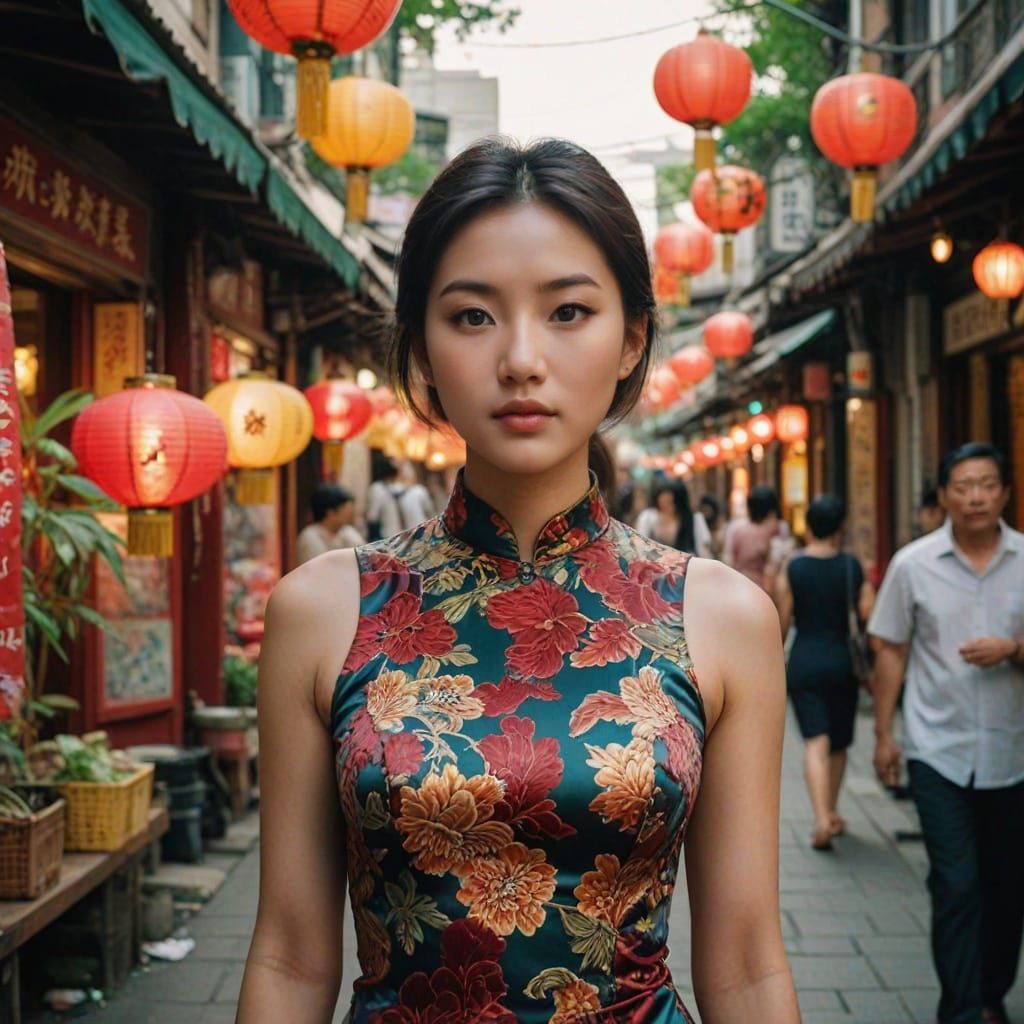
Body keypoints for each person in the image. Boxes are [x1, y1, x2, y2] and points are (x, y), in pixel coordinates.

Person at [239, 138, 799, 1024]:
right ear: (420, 349)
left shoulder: (721, 616)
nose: (521, 359)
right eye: (472, 316)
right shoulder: (324, 609)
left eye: (570, 311)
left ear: (633, 340)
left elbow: (745, 963)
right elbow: (289, 956)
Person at [868, 442, 1024, 1024]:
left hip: (1014, 750)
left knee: (1007, 890)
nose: (976, 496)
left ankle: (990, 996)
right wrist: (885, 735)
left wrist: (1013, 650)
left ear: (1005, 492)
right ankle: (960, 1010)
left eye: (987, 484)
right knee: (956, 883)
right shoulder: (914, 565)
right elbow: (893, 650)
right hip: (939, 749)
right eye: (963, 485)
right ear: (944, 495)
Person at [775, 495, 875, 850]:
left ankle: (820, 818)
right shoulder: (852, 567)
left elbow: (783, 619)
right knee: (839, 742)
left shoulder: (793, 567)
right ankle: (831, 811)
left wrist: (774, 659)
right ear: (840, 528)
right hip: (843, 662)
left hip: (805, 659)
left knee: (815, 741)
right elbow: (867, 614)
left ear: (811, 526)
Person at [725, 485, 790, 592]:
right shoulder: (779, 528)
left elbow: (730, 560)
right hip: (765, 588)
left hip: (742, 585)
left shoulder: (737, 528)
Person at [635, 481, 713, 556]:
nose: (668, 507)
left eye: (671, 502)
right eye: (664, 501)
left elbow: (703, 547)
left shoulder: (694, 519)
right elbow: (640, 542)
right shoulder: (648, 516)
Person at [294, 484, 364, 565]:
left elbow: (363, 558)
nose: (351, 514)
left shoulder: (348, 532)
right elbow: (320, 568)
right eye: (347, 510)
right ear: (331, 512)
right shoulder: (309, 536)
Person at [365, 452, 405, 541]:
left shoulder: (393, 487)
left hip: (398, 534)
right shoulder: (377, 489)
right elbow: (372, 517)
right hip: (385, 537)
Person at [698, 494, 725, 560]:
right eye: (703, 510)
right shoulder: (698, 524)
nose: (705, 514)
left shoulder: (718, 527)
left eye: (707, 510)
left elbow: (718, 549)